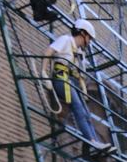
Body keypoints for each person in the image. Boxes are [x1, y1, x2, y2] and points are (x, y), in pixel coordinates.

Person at [47, 19, 112, 151]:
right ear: (83, 33)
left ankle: (96, 144)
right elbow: (49, 51)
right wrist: (43, 72)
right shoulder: (66, 40)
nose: (89, 41)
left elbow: (78, 73)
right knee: (78, 109)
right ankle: (92, 142)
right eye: (89, 38)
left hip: (70, 81)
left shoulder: (78, 52)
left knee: (86, 114)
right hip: (61, 79)